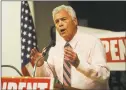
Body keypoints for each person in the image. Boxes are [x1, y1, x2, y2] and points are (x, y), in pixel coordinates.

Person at [30, 5, 110, 90]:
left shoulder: (92, 42)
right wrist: (40, 65)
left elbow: (104, 75)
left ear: (75, 21)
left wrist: (79, 64)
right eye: (57, 21)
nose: (60, 24)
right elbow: (47, 78)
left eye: (63, 19)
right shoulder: (55, 49)